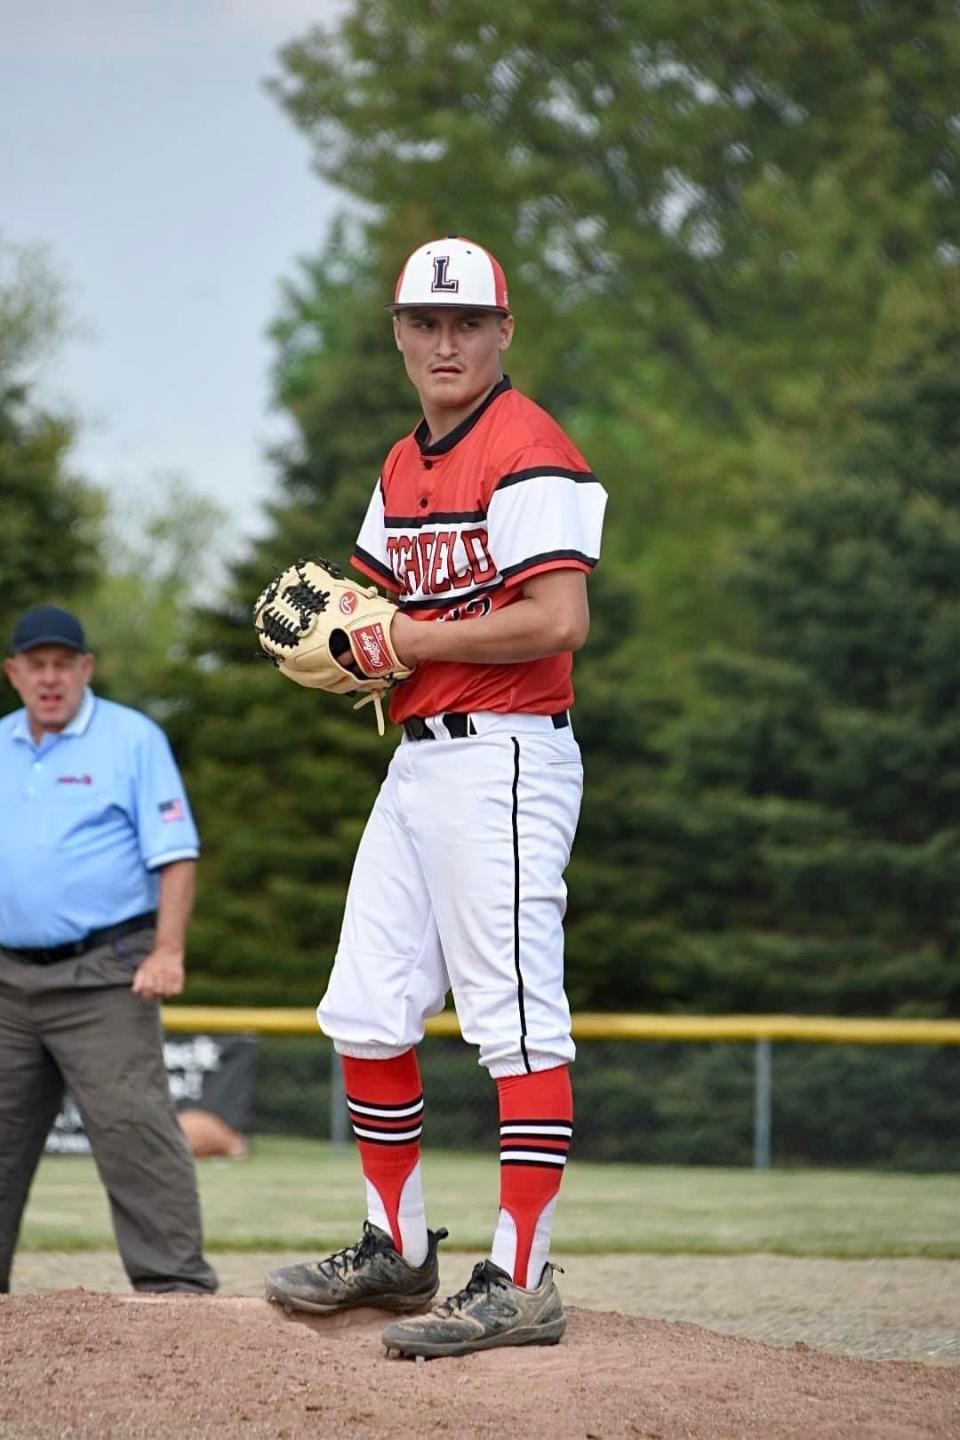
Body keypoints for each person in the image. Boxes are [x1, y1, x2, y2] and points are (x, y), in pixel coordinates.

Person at [266, 236, 607, 1358]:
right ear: (400, 335)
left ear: (503, 331)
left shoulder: (529, 449)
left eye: (467, 323)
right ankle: (395, 1246)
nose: (445, 341)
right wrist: (349, 639)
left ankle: (521, 1277)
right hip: (419, 758)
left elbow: (558, 622)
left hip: (507, 756)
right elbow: (372, 601)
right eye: (425, 322)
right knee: (366, 1005)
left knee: (514, 1018)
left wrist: (401, 634)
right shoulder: (400, 464)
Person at [0, 604, 218, 1295]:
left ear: (86, 669)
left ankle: (173, 1290)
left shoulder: (132, 739)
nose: (51, 678)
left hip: (104, 973)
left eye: (64, 663)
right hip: (7, 979)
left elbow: (176, 855)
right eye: (37, 665)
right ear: (14, 673)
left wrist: (168, 950)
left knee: (133, 1129)